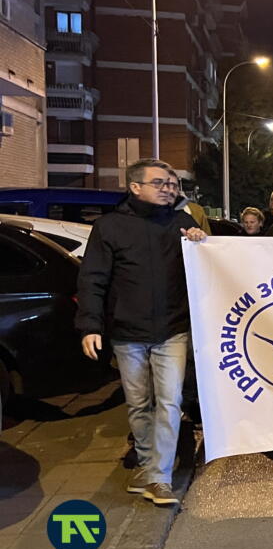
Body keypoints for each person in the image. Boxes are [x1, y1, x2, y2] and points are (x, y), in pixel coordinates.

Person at [76, 158, 208, 506]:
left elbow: (206, 268)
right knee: (138, 404)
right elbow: (92, 279)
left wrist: (200, 242)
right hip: (127, 332)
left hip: (172, 330)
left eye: (171, 184)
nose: (168, 189)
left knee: (169, 401)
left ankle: (159, 478)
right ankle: (149, 468)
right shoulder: (109, 227)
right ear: (135, 187)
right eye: (159, 183)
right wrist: (90, 325)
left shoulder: (182, 223)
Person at [164, 168, 211, 235]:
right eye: (167, 185)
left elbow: (206, 237)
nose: (171, 190)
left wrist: (198, 236)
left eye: (174, 186)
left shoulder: (195, 211)